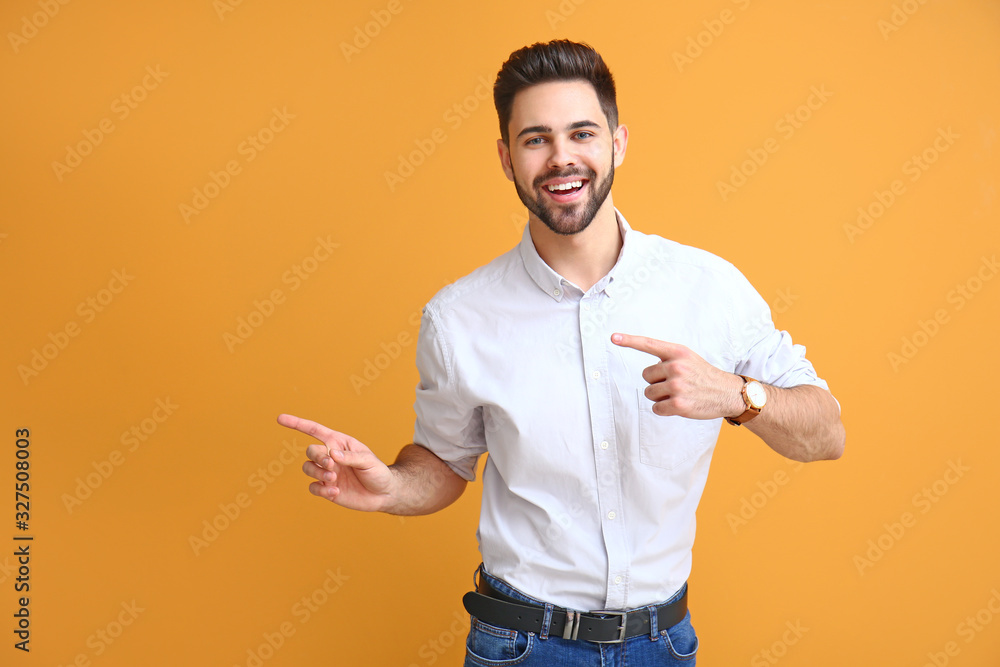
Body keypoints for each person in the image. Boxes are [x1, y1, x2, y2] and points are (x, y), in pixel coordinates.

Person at [278, 39, 845, 666]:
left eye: (582, 133)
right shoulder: (458, 317)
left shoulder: (708, 288)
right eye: (535, 139)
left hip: (664, 643)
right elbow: (444, 461)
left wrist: (737, 397)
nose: (561, 158)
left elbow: (826, 433)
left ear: (618, 143)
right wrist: (390, 487)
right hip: (520, 645)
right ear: (506, 157)